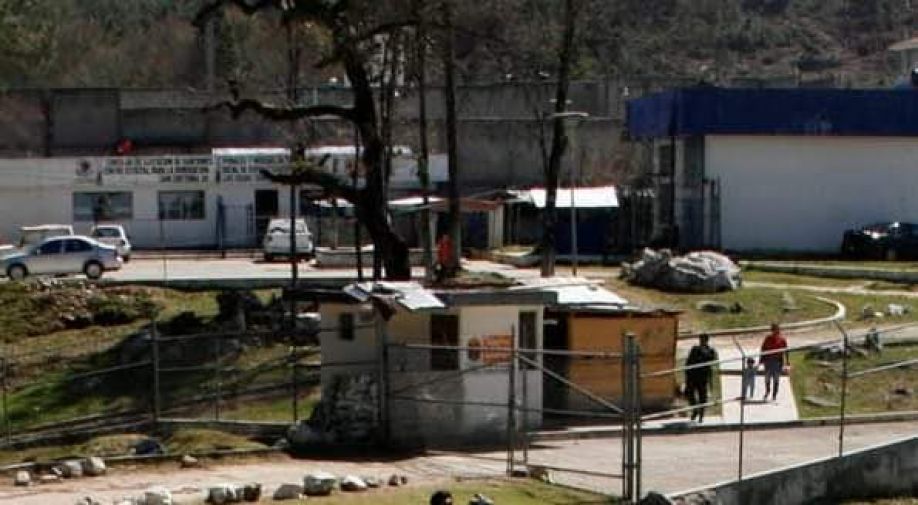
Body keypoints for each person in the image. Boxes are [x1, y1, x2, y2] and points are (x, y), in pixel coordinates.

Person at [685, 333, 718, 423]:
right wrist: (687, 375)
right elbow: (689, 361)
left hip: (703, 377)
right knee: (690, 394)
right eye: (701, 339)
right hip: (693, 376)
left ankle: (701, 415)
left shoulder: (710, 350)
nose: (702, 341)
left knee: (702, 397)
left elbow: (710, 359)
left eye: (703, 339)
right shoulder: (695, 349)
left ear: (707, 340)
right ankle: (695, 409)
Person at [760, 323, 788, 401]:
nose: (776, 331)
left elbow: (786, 350)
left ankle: (774, 395)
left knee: (776, 378)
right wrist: (761, 360)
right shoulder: (768, 338)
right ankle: (767, 391)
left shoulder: (782, 339)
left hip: (777, 362)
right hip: (768, 361)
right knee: (767, 378)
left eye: (777, 330)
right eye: (775, 330)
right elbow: (763, 349)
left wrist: (787, 362)